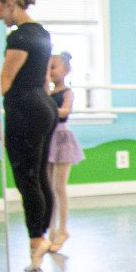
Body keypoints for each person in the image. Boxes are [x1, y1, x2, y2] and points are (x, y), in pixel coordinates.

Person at [0, 0, 57, 268]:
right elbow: (44, 79)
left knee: (26, 178)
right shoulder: (42, 33)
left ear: (9, 4)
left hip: (25, 110)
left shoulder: (19, 38)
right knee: (39, 174)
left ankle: (36, 239)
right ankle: (41, 236)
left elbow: (6, 79)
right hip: (44, 106)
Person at [45, 52, 82, 251]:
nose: (50, 71)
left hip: (61, 138)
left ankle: (63, 228)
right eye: (48, 67)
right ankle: (50, 229)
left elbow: (65, 111)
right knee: (48, 188)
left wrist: (47, 106)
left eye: (54, 67)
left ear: (65, 70)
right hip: (48, 138)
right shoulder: (47, 92)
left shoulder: (67, 92)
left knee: (59, 187)